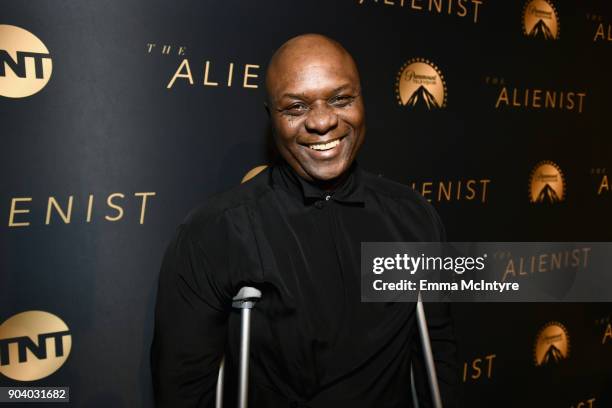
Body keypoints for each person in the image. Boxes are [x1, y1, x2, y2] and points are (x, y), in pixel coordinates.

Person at [151, 33, 459, 408]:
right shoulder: (217, 232)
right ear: (271, 118)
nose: (323, 121)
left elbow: (438, 350)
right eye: (296, 107)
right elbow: (184, 388)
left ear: (362, 100)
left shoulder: (412, 218)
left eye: (341, 99)